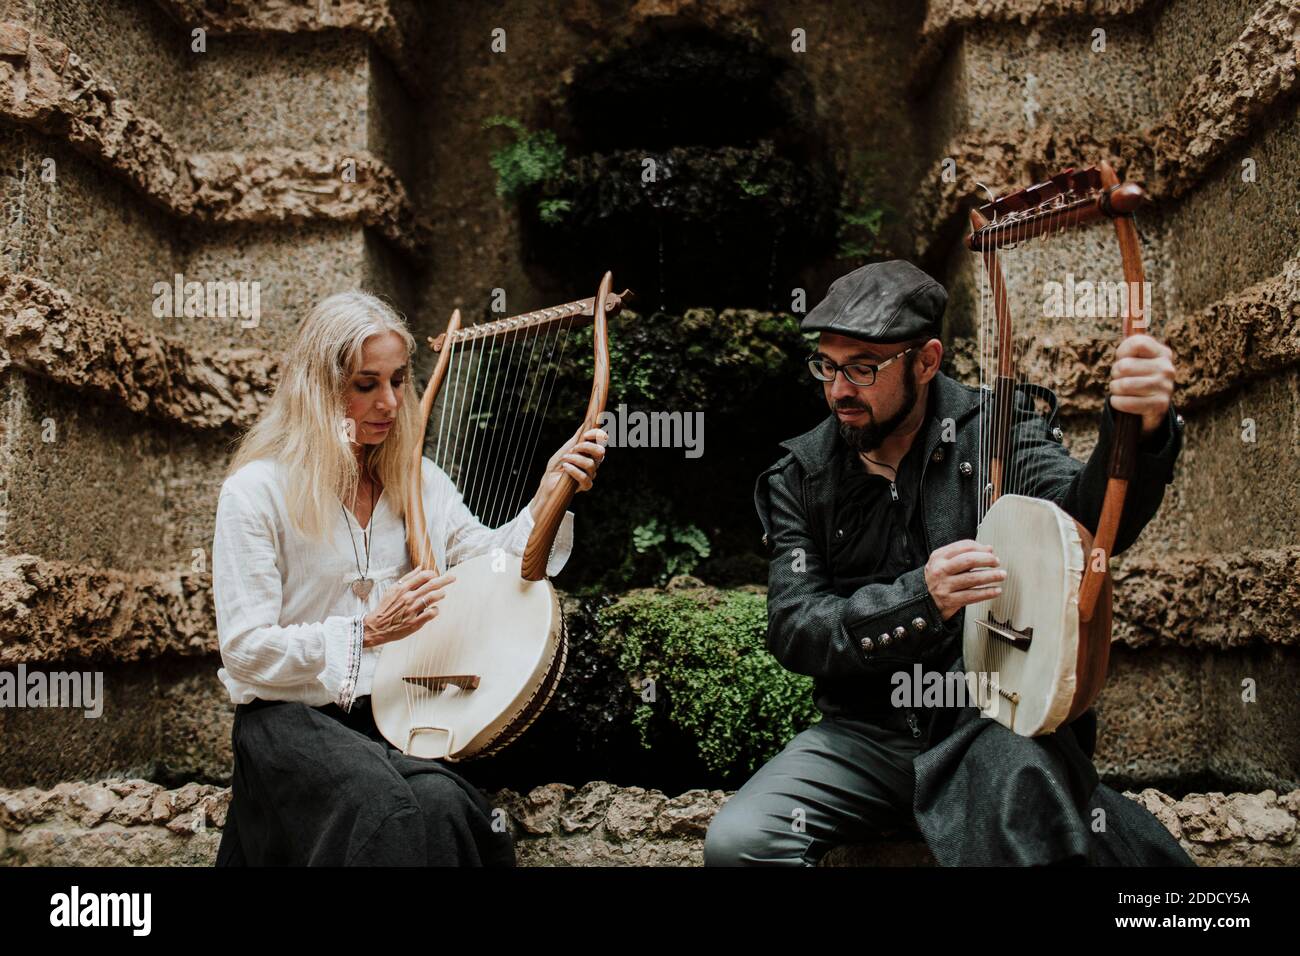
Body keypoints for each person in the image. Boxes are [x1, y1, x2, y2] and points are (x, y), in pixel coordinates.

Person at [704, 259, 1194, 866]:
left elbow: (1086, 527)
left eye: (862, 368)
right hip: (865, 737)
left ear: (927, 361)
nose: (838, 390)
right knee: (738, 843)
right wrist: (921, 599)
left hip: (986, 726)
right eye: (826, 366)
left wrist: (1137, 430)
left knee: (1021, 805)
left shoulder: (998, 431)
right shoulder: (800, 476)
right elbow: (796, 627)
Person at [211, 290, 607, 866]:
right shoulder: (256, 492)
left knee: (445, 805)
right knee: (382, 810)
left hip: (391, 720)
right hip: (287, 724)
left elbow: (494, 569)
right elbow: (245, 652)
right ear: (317, 388)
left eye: (398, 380)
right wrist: (364, 633)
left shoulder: (417, 482)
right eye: (365, 384)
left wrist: (549, 494)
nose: (390, 402)